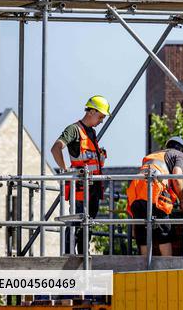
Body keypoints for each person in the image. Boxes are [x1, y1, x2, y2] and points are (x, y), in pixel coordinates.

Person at [51, 95, 109, 255]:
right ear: (91, 111)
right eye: (101, 116)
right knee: (76, 224)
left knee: (88, 225)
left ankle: (84, 256)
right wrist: (64, 169)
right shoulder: (74, 130)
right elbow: (56, 148)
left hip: (94, 189)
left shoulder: (92, 132)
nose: (102, 120)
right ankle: (69, 256)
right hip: (80, 190)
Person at [126, 136, 183, 256]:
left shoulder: (154, 154)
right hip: (154, 188)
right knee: (164, 232)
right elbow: (177, 176)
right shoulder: (179, 154)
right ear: (182, 150)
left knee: (143, 233)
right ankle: (167, 268)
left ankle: (144, 268)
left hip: (135, 190)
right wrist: (182, 199)